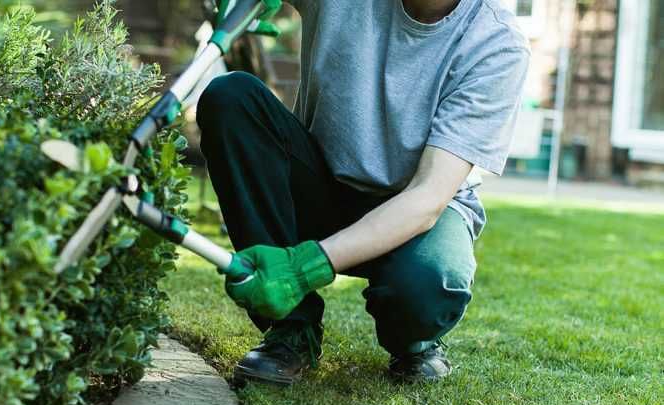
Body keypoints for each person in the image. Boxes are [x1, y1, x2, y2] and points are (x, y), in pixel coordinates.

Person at [197, 0, 530, 384]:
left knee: (430, 283)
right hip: (322, 182)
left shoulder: (496, 43)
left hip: (416, 208)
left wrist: (304, 269)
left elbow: (427, 199)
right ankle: (291, 329)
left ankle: (414, 341)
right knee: (231, 96)